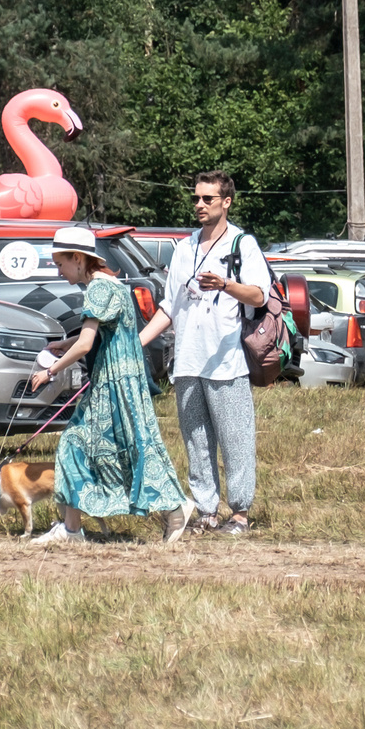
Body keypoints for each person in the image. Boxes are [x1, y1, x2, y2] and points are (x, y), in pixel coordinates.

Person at [25, 226, 195, 543]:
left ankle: (174, 506)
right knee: (110, 445)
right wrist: (65, 343)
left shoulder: (99, 290)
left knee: (102, 444)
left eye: (60, 263)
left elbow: (87, 344)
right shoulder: (110, 285)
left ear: (78, 259)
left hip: (114, 384)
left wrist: (50, 372)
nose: (59, 271)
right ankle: (73, 528)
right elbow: (99, 331)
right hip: (119, 381)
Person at [136, 171, 269, 535]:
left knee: (235, 440)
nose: (199, 205)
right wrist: (137, 343)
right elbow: (169, 306)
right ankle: (207, 511)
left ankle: (240, 514)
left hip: (227, 361)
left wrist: (226, 285)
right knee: (196, 441)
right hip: (188, 361)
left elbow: (259, 295)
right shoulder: (184, 247)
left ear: (226, 202)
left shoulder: (242, 244)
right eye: (196, 198)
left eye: (207, 199)